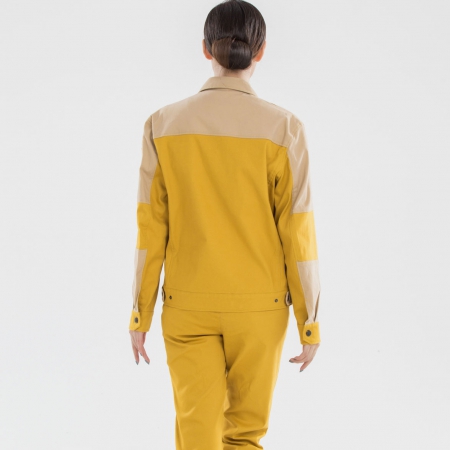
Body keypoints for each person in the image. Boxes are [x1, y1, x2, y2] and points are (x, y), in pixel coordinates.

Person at [128, 0, 322, 448]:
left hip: (187, 303)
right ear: (261, 51)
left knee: (197, 434)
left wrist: (140, 313)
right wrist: (308, 321)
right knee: (246, 435)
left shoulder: (162, 125)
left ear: (205, 48)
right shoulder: (285, 128)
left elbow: (150, 226)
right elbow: (298, 232)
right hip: (261, 308)